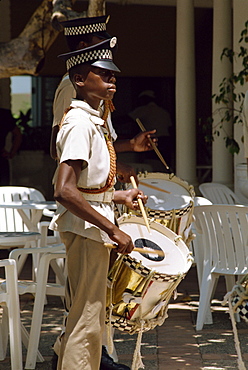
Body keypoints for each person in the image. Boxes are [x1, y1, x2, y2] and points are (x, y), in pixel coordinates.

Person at [49, 37, 147, 370]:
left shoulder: (93, 120)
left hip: (90, 230)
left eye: (113, 75)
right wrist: (111, 229)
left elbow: (88, 186)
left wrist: (119, 196)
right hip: (89, 232)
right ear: (79, 80)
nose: (111, 79)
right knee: (86, 323)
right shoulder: (79, 123)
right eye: (102, 74)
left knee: (89, 320)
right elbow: (64, 189)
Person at [50, 16, 157, 184]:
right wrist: (114, 165)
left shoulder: (98, 90)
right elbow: (60, 148)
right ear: (83, 47)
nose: (107, 47)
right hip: (82, 191)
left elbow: (96, 144)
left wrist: (131, 144)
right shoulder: (72, 87)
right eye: (100, 41)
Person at [129, 90, 174, 168]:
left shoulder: (143, 109)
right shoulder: (163, 111)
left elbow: (126, 119)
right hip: (166, 140)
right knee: (164, 164)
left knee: (151, 163)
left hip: (152, 140)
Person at [0, 108, 22, 185]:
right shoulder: (3, 114)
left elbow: (17, 134)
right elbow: (17, 134)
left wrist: (12, 153)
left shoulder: (3, 115)